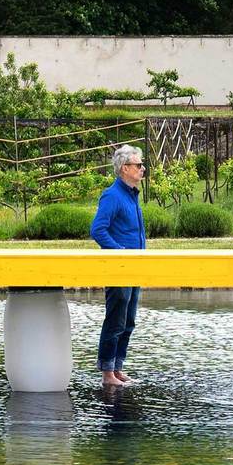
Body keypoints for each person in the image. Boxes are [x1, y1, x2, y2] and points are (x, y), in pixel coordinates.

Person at [91, 145, 148, 387]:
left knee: (129, 320)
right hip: (119, 267)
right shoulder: (113, 195)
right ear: (125, 168)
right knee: (115, 320)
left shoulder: (132, 194)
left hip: (134, 268)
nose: (143, 168)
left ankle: (117, 367)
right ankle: (107, 372)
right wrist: (119, 251)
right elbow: (98, 230)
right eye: (138, 165)